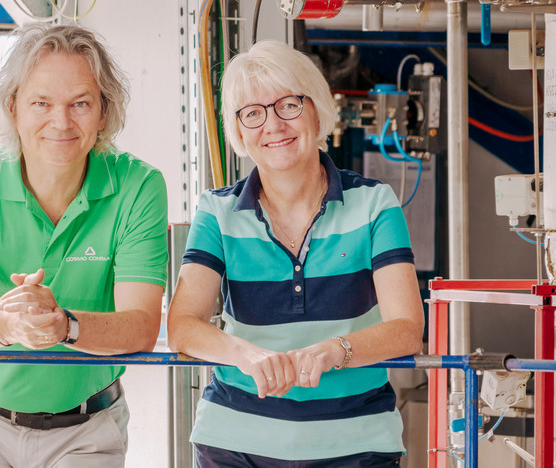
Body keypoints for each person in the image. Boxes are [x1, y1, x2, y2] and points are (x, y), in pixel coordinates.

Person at [0, 24, 168, 468]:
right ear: (13, 108)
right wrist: (4, 326)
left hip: (87, 429)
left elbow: (142, 329)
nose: (61, 121)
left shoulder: (138, 187)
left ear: (104, 113)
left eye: (81, 104)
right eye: (41, 103)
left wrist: (63, 326)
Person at [167, 40, 425, 467]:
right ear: (238, 130)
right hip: (235, 446)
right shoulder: (217, 212)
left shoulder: (376, 204)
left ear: (317, 109)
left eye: (288, 104)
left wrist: (333, 351)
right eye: (253, 113)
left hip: (357, 446)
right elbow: (182, 327)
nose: (273, 125)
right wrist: (248, 355)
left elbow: (406, 329)